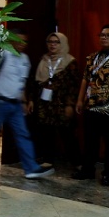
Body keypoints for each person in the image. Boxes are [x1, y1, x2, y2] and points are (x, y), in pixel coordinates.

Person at [0, 28, 54, 179]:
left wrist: (24, 101)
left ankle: (30, 168)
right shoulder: (1, 54)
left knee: (23, 134)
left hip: (16, 104)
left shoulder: (25, 59)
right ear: (11, 39)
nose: (22, 44)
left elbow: (21, 82)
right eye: (19, 40)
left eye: (25, 41)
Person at [73, 24, 109, 186]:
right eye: (102, 35)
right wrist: (80, 100)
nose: (104, 37)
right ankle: (88, 169)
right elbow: (85, 79)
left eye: (108, 35)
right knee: (90, 140)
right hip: (91, 105)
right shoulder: (93, 57)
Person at [28, 32, 79, 168]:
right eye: (50, 42)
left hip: (61, 103)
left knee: (67, 133)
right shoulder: (43, 60)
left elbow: (73, 86)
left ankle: (76, 161)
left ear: (62, 44)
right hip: (44, 104)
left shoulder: (70, 62)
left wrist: (70, 104)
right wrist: (31, 99)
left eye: (56, 42)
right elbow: (34, 82)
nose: (52, 45)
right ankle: (48, 159)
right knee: (45, 132)